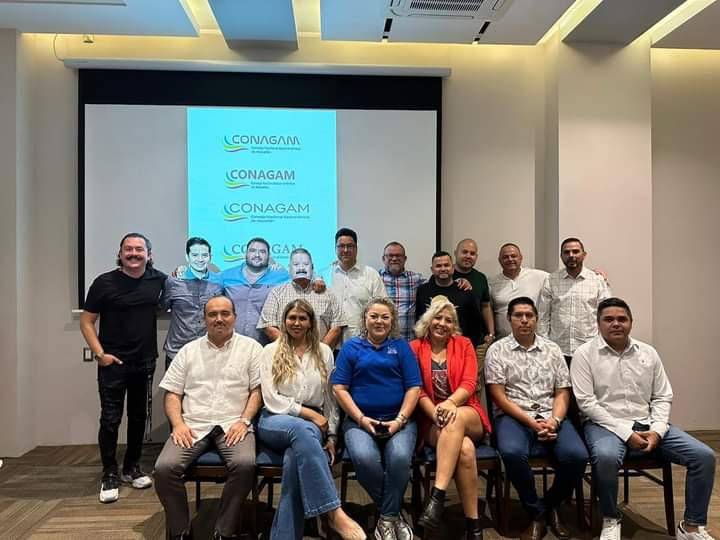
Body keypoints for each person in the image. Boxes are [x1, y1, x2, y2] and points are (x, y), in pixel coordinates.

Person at [571, 298, 716, 540]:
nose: (616, 324)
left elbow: (662, 396)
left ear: (631, 322)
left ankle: (691, 527)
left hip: (647, 423)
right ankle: (611, 518)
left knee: (704, 456)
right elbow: (587, 403)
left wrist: (657, 430)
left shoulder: (648, 353)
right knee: (606, 457)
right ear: (598, 323)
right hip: (604, 425)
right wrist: (627, 434)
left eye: (622, 319)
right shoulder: (584, 354)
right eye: (609, 319)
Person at [154, 295, 263, 540]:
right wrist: (178, 424)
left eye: (225, 313)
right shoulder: (188, 351)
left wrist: (245, 420)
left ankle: (223, 531)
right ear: (204, 319)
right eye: (212, 314)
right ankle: (181, 531)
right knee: (164, 468)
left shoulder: (251, 348)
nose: (219, 319)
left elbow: (257, 391)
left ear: (234, 317)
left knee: (245, 464)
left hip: (234, 424)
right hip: (193, 424)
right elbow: (172, 394)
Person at [257, 299, 365, 540]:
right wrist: (309, 414)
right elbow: (271, 398)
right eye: (292, 318)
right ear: (284, 321)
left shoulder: (324, 351)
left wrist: (332, 435)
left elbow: (329, 397)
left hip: (313, 424)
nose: (296, 323)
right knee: (301, 431)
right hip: (275, 418)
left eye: (302, 318)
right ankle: (333, 512)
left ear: (310, 322)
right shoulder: (270, 351)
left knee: (294, 459)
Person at [486, 297, 587, 540]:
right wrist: (531, 422)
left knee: (577, 455)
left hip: (551, 415)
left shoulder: (552, 349)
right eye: (518, 315)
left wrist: (555, 421)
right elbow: (498, 396)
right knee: (511, 453)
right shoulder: (497, 350)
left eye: (529, 315)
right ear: (509, 319)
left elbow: (562, 391)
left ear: (536, 319)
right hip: (514, 415)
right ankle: (537, 512)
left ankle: (548, 505)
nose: (524, 320)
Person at [80, 232, 166, 503]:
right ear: (120, 254)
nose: (134, 254)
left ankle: (131, 467)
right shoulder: (104, 282)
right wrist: (100, 354)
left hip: (145, 362)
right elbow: (86, 321)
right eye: (128, 249)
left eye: (139, 249)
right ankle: (109, 473)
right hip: (113, 364)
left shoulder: (159, 280)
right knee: (110, 419)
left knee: (139, 417)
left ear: (149, 255)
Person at [332, 297, 421, 540]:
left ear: (392, 321)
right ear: (365, 319)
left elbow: (414, 387)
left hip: (399, 421)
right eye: (374, 316)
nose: (379, 321)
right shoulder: (351, 347)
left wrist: (399, 420)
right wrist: (361, 419)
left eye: (384, 317)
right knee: (364, 458)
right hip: (359, 422)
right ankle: (392, 514)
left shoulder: (401, 347)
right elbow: (339, 388)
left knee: (399, 458)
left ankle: (387, 517)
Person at [411, 296, 492, 540]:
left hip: (466, 411)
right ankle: (474, 526)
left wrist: (449, 403)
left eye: (449, 320)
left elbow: (469, 382)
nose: (443, 324)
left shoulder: (464, 344)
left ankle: (437, 495)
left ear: (454, 325)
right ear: (428, 320)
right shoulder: (414, 348)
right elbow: (416, 389)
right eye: (438, 318)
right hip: (432, 418)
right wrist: (434, 412)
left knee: (455, 419)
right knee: (465, 450)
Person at [537, 237, 611, 362]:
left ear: (584, 255)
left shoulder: (597, 280)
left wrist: (601, 343)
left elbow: (606, 315)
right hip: (558, 350)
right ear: (561, 256)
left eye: (576, 251)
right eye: (566, 252)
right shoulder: (551, 280)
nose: (571, 255)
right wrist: (546, 345)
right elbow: (543, 316)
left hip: (589, 349)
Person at [258, 248, 345, 348]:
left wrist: (320, 351)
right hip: (285, 353)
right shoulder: (276, 293)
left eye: (305, 264)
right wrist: (290, 350)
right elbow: (268, 326)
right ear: (289, 268)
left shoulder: (328, 293)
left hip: (320, 354)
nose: (301, 268)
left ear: (312, 267)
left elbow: (337, 325)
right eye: (296, 264)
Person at [161, 237, 222, 369]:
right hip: (177, 352)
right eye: (195, 255)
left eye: (204, 255)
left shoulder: (219, 282)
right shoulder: (173, 281)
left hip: (209, 351)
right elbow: (161, 308)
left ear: (210, 257)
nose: (200, 259)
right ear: (187, 257)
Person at [221, 237, 290, 343]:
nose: (257, 255)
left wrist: (316, 280)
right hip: (232, 344)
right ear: (246, 254)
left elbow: (304, 277)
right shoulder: (226, 275)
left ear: (269, 256)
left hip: (266, 345)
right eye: (253, 251)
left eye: (262, 252)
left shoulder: (281, 276)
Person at [416, 252, 485, 349]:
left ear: (452, 268)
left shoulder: (465, 291)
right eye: (438, 266)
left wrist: (468, 347)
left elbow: (476, 325)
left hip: (459, 348)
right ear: (432, 269)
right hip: (429, 347)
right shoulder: (422, 291)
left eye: (446, 265)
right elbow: (419, 320)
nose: (443, 269)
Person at [330, 228, 387, 344]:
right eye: (341, 246)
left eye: (350, 246)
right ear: (335, 248)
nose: (345, 250)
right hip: (331, 344)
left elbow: (382, 307)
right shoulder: (325, 275)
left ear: (356, 248)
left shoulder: (371, 275)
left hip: (363, 343)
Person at [488, 243, 548, 339]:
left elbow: (558, 281)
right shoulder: (491, 282)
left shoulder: (539, 276)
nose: (510, 259)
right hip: (503, 341)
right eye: (505, 257)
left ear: (521, 258)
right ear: (499, 260)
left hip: (532, 339)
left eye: (513, 256)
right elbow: (487, 310)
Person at [453, 239, 496, 357]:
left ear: (476, 257)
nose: (468, 256)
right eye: (464, 252)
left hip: (476, 341)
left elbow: (486, 306)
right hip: (449, 340)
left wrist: (491, 334)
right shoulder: (444, 275)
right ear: (455, 253)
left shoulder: (480, 278)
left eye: (472, 253)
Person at [379, 241, 426, 341]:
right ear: (383, 259)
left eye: (398, 255)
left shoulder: (416, 279)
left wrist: (458, 280)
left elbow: (436, 284)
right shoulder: (375, 278)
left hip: (408, 341)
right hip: (381, 341)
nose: (394, 259)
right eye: (390, 255)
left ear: (405, 259)